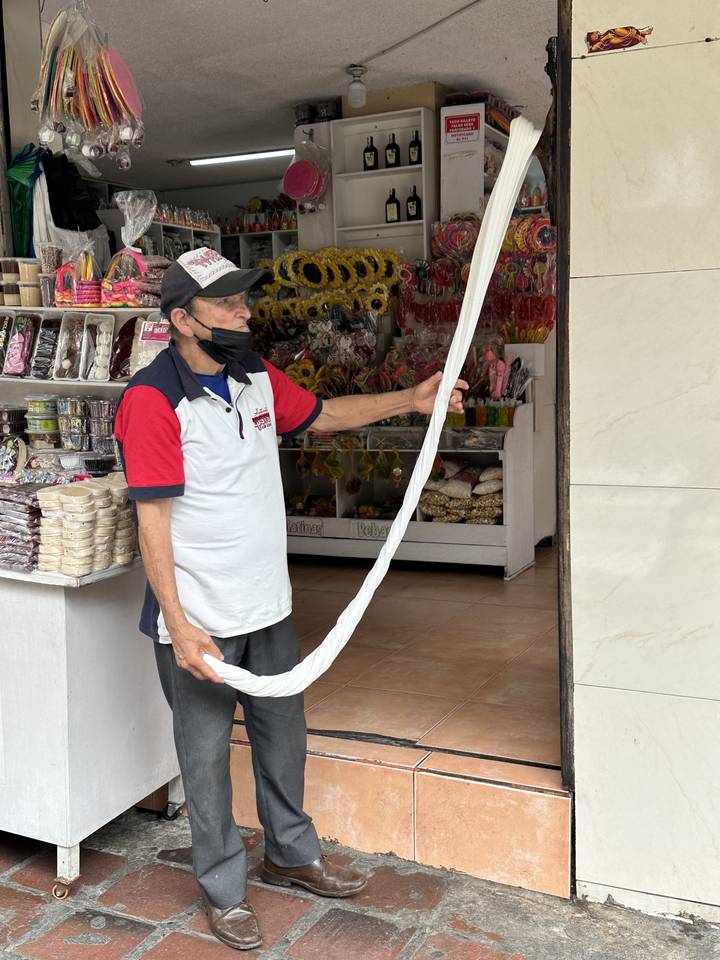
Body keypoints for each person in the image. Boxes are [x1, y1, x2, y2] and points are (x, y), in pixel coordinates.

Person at [114, 248, 467, 952]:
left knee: (284, 740)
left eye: (245, 298)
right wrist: (181, 629)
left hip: (267, 607)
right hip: (201, 622)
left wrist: (411, 399)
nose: (246, 311)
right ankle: (222, 888)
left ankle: (291, 853)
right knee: (207, 758)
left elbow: (323, 415)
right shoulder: (152, 401)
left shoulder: (252, 374)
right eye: (228, 303)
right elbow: (152, 521)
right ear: (182, 319)